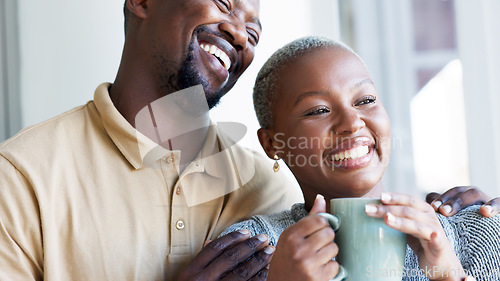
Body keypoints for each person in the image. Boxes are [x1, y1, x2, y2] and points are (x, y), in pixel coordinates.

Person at [0, 1, 496, 280]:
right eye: (223, 2)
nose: (239, 34)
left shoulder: (273, 183)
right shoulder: (21, 177)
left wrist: (464, 230)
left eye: (253, 33)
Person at [221, 36, 500, 281]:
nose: (352, 122)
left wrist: (448, 275)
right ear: (273, 143)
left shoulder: (479, 234)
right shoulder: (249, 254)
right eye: (318, 110)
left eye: (365, 100)